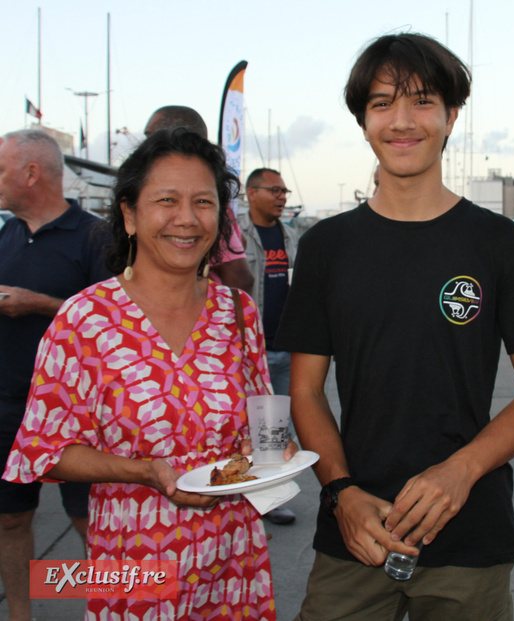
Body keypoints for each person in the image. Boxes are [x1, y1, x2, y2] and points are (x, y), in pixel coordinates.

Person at [275, 32, 514, 620]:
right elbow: (304, 390)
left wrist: (460, 472)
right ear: (362, 120)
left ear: (452, 115)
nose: (402, 121)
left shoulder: (501, 243)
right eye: (382, 103)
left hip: (469, 534)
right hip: (354, 533)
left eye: (423, 101)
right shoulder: (326, 247)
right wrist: (340, 493)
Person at [3, 128, 295, 620]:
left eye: (203, 202)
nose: (186, 219)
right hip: (134, 560)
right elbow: (43, 454)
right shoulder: (85, 319)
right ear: (130, 215)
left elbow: (263, 424)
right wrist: (144, 471)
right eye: (166, 200)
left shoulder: (238, 312)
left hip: (233, 562)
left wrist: (269, 452)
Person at [0, 129, 110, 621]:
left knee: (93, 525)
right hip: (8, 406)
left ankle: (112, 606)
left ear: (30, 173)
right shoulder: (4, 233)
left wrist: (37, 304)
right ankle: (20, 615)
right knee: (9, 520)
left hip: (77, 415)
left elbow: (114, 322)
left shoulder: (94, 236)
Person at [238, 168, 299, 526]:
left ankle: (272, 499)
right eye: (274, 190)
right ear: (251, 193)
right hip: (247, 348)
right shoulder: (236, 235)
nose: (282, 197)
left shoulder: (289, 237)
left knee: (277, 426)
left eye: (284, 190)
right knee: (244, 425)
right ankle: (236, 492)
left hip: (285, 345)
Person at [145, 105, 255, 293]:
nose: (186, 219)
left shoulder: (212, 209)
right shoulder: (90, 309)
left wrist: (213, 318)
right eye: (166, 200)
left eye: (149, 137)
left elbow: (239, 276)